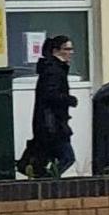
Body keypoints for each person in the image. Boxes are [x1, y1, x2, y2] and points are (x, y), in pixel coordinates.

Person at [24, 32, 78, 179]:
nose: (71, 53)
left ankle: (45, 180)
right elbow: (50, 95)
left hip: (49, 123)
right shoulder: (53, 70)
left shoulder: (52, 68)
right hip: (53, 124)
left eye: (71, 49)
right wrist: (69, 99)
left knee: (49, 158)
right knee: (67, 157)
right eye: (67, 49)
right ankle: (48, 181)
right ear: (56, 51)